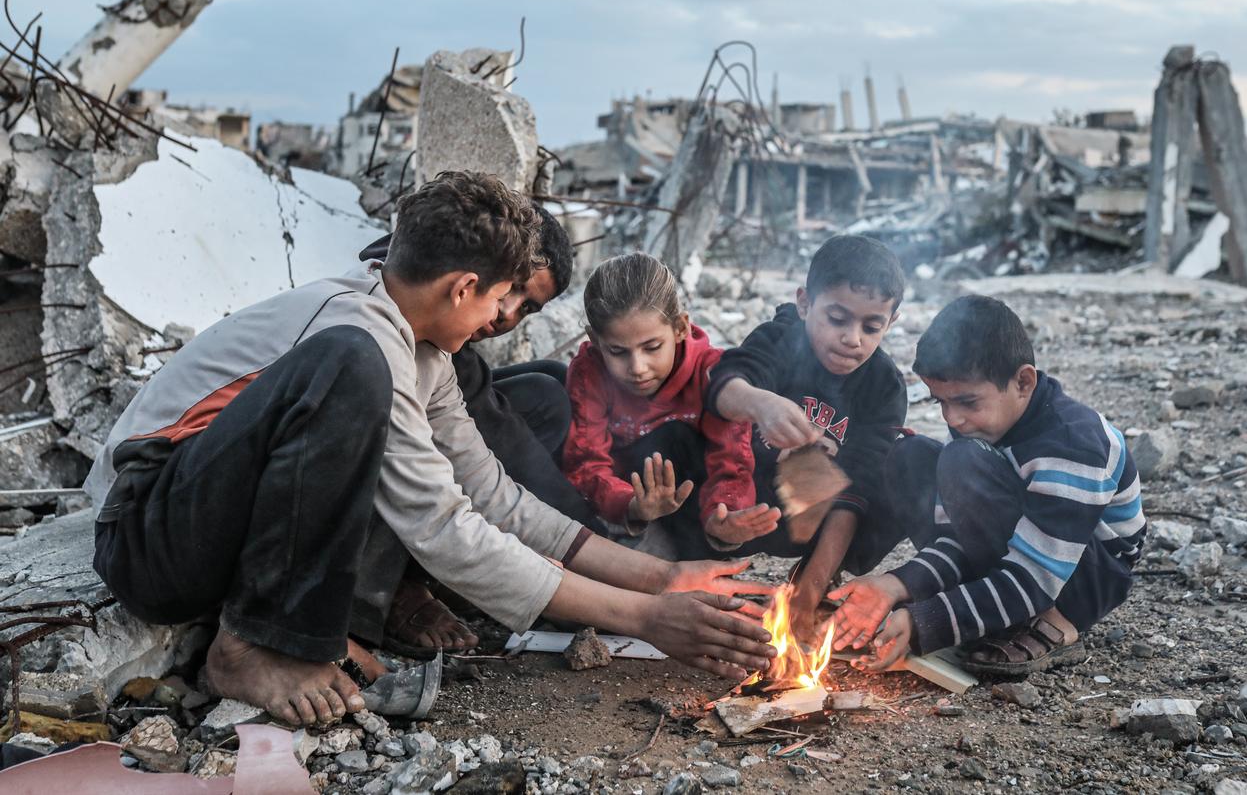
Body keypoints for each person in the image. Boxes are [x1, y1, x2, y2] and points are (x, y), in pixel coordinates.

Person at [87, 172, 776, 728]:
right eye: (499, 299)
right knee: (349, 364)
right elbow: (443, 528)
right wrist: (645, 620)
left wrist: (659, 579)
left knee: (436, 414)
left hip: (206, 530)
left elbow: (492, 496)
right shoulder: (358, 335)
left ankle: (299, 629)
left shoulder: (423, 351)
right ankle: (248, 646)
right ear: (463, 287)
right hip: (147, 536)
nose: (498, 319)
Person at [828, 295, 1144, 677]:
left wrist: (926, 622)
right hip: (1017, 554)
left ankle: (1058, 621)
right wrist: (896, 585)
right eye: (941, 402)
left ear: (1023, 382)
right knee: (909, 455)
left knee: (961, 459)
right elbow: (957, 539)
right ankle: (991, 602)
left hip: (1082, 577)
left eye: (967, 402)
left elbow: (1035, 575)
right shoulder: (981, 424)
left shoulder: (1073, 444)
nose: (953, 418)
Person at [354, 209, 592, 655]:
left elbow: (488, 472)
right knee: (418, 446)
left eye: (528, 307)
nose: (508, 313)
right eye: (512, 289)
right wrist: (594, 569)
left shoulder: (442, 346)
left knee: (546, 387)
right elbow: (481, 459)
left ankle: (483, 556)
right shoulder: (383, 317)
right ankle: (389, 590)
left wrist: (585, 540)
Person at [706, 235, 908, 635]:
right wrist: (761, 404)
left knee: (903, 465)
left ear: (891, 323)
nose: (853, 339)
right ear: (804, 303)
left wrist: (809, 591)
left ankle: (818, 573)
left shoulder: (884, 386)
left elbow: (859, 491)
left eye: (871, 327)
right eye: (837, 319)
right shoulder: (780, 339)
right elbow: (722, 386)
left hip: (818, 522)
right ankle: (707, 553)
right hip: (741, 505)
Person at [563, 252, 781, 560]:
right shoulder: (590, 373)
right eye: (618, 352)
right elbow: (585, 462)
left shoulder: (712, 372)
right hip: (624, 507)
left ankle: (697, 553)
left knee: (679, 435)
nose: (637, 368)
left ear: (680, 327)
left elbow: (731, 459)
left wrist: (725, 513)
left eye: (652, 347)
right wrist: (632, 505)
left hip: (694, 504)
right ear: (595, 340)